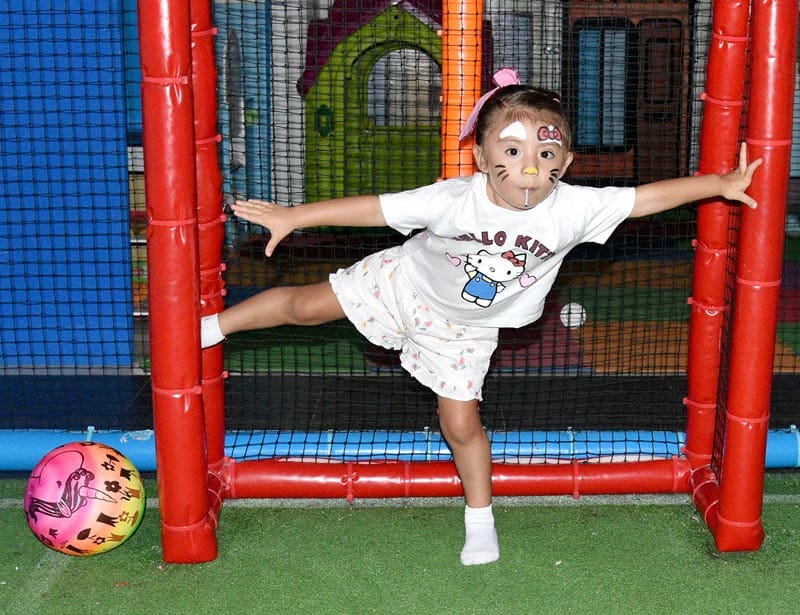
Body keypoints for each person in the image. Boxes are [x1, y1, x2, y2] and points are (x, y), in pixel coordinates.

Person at [201, 68, 761, 566]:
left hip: (463, 331)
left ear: (566, 163)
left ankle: (479, 518)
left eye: (546, 155)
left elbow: (647, 198)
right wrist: (295, 216)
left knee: (461, 424)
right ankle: (211, 328)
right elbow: (374, 208)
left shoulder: (577, 208)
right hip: (402, 283)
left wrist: (720, 185)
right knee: (303, 307)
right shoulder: (453, 199)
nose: (529, 168)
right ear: (481, 157)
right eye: (511, 152)